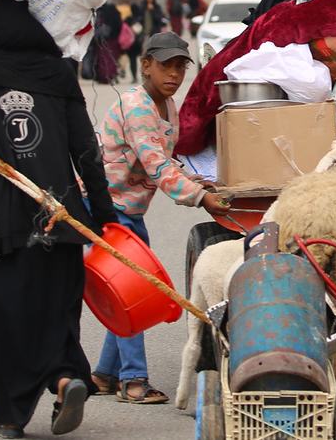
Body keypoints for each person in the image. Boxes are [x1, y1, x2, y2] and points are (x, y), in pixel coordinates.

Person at [0, 0, 116, 439]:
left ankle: (11, 417)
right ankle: (63, 378)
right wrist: (103, 213)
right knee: (55, 308)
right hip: (58, 215)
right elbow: (87, 151)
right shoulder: (58, 74)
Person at [90, 32, 231, 404]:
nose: (173, 74)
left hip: (129, 208)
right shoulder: (137, 105)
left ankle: (105, 374)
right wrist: (201, 198)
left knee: (132, 289)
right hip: (107, 208)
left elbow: (168, 161)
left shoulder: (166, 105)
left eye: (180, 67)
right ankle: (133, 381)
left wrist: (198, 179)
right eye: (165, 65)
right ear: (145, 65)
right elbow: (154, 164)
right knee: (131, 290)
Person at [126, 0, 166, 83]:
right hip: (144, 35)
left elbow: (159, 19)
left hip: (154, 34)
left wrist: (152, 11)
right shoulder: (142, 8)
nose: (149, 0)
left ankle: (155, 74)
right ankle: (145, 74)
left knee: (155, 55)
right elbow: (138, 19)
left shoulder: (156, 8)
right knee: (145, 56)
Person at [93, 2, 123, 84]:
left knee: (102, 58)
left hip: (101, 39)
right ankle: (111, 75)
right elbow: (119, 25)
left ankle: (103, 76)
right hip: (113, 39)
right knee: (112, 57)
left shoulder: (101, 13)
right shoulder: (115, 14)